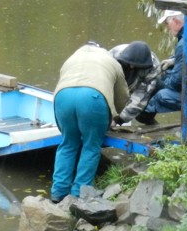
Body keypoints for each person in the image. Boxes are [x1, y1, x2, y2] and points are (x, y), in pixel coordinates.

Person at [51, 42, 130, 202]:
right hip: (93, 98)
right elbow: (123, 96)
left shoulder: (71, 58)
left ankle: (58, 192)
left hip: (62, 98)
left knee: (67, 144)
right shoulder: (111, 62)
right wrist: (115, 117)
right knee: (91, 146)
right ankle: (79, 193)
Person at [109, 41, 162, 125]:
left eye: (135, 66)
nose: (131, 67)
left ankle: (148, 119)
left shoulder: (153, 67)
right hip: (118, 80)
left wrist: (119, 120)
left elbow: (140, 96)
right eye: (129, 64)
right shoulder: (112, 56)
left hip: (140, 83)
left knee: (140, 115)